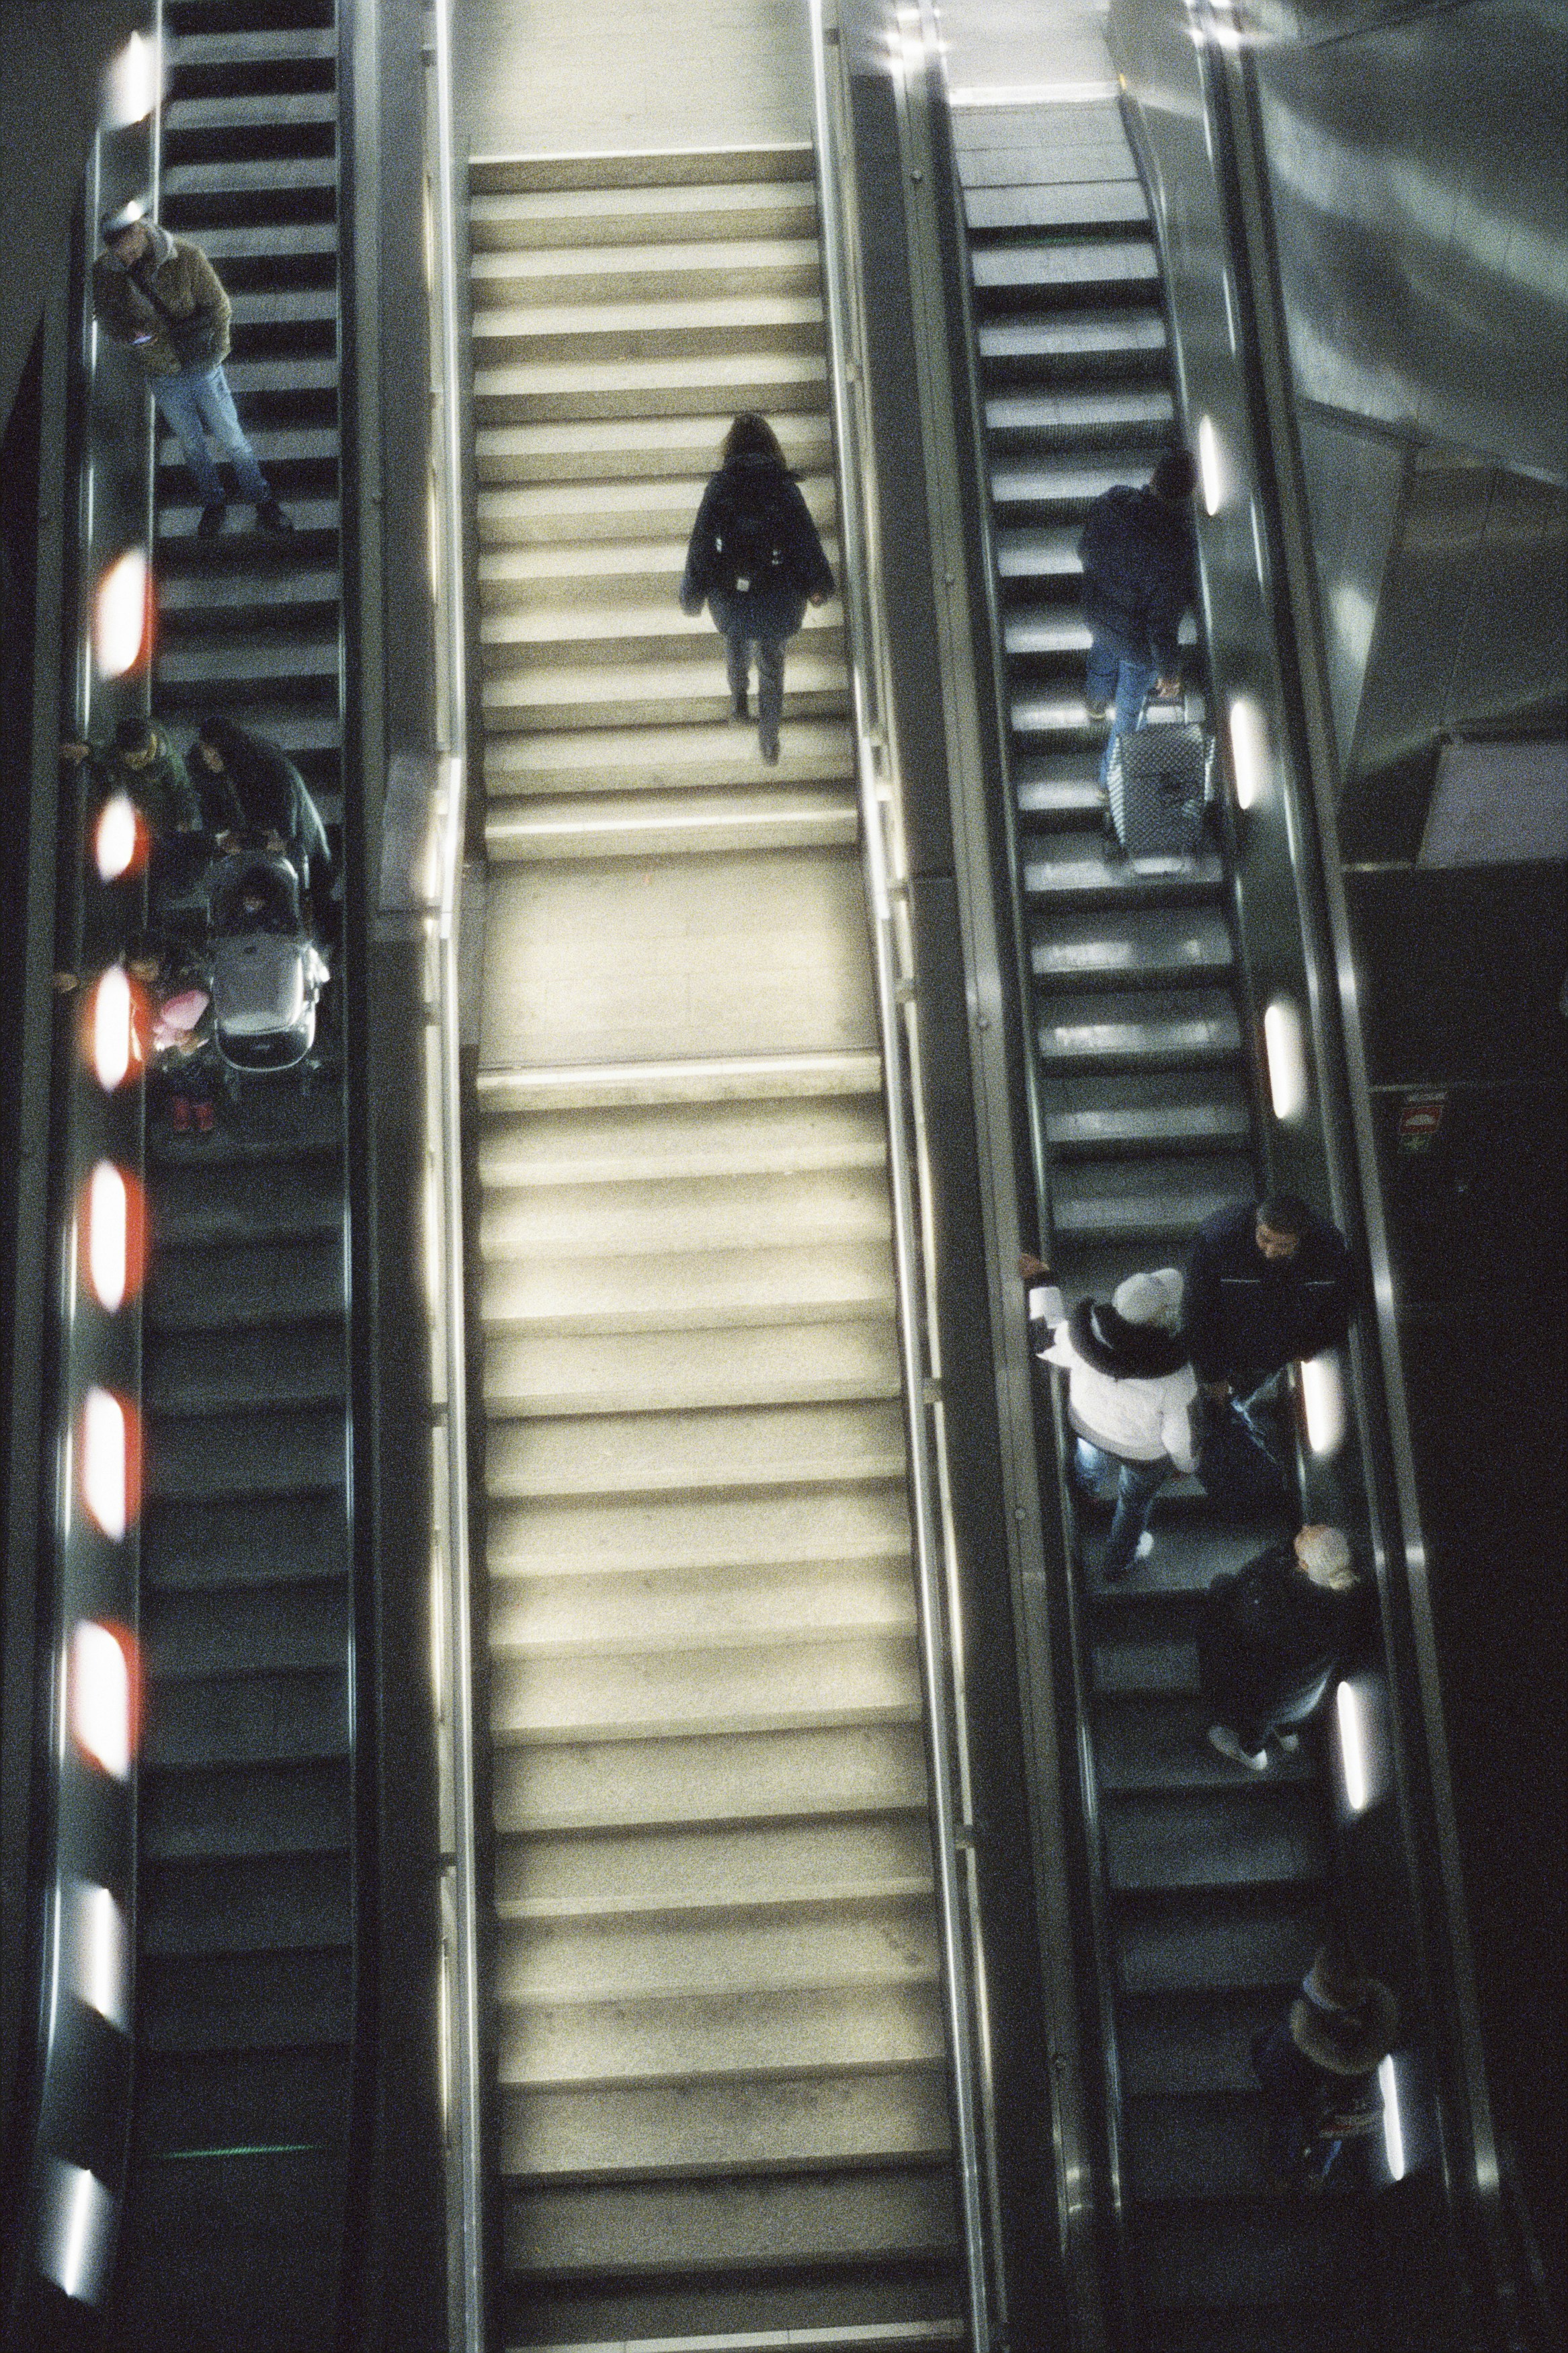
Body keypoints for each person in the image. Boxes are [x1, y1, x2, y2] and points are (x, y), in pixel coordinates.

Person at [93, 197, 292, 539]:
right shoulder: (106, 272)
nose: (127, 260)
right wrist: (132, 337)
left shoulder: (184, 256)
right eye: (120, 256)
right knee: (191, 444)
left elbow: (219, 305)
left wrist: (217, 353)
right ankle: (214, 504)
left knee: (233, 439)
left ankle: (263, 501)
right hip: (162, 370)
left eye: (130, 251)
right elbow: (106, 317)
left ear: (141, 232)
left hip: (202, 365)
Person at [679, 413, 834, 764]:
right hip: (779, 595)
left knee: (735, 644)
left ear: (731, 449)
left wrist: (693, 595)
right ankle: (769, 741)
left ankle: (738, 701)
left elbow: (701, 544)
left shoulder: (720, 488)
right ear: (771, 447)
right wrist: (818, 586)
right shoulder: (784, 487)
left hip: (731, 596)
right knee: (772, 665)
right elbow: (805, 540)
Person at [1036, 1267, 1198, 1579]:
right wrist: (1185, 1465)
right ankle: (1118, 1561)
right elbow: (1180, 1436)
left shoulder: (1083, 1335)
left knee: (1090, 1456)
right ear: (1158, 1321)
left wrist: (1042, 1282)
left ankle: (1087, 1491)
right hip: (1142, 1452)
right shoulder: (1176, 1377)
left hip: (1087, 1424)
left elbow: (1045, 1342)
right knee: (1133, 1504)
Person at [1199, 1523, 1370, 1769]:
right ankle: (1287, 1733)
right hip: (1306, 1697)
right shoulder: (1347, 1603)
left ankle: (1252, 1754)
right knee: (1287, 1697)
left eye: (1308, 1535)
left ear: (1304, 1566)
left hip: (1267, 1699)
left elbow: (1240, 1604)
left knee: (1258, 1721)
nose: (1305, 1527)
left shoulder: (1279, 1606)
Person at [1077, 447, 1196, 787]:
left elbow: (1084, 549)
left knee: (1102, 652)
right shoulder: (1176, 548)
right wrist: (1169, 673)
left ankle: (1095, 703)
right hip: (1137, 645)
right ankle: (1107, 783)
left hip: (1098, 612)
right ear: (1187, 497)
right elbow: (1161, 628)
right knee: (1129, 711)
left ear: (1153, 476)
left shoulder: (1113, 501)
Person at [1184, 1192, 1356, 1417]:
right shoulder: (1217, 1240)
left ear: (1301, 1237)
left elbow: (1339, 1306)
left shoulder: (1329, 1248)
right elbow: (1197, 1312)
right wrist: (1211, 1375)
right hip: (1224, 1346)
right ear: (1257, 1223)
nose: (1271, 1250)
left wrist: (1311, 1346)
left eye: (1284, 1245)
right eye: (1265, 1238)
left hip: (1276, 1352)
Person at [1251, 1944, 1397, 2190]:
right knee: (1331, 2132)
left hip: (1298, 2086)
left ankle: (1283, 2171)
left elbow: (1274, 2075)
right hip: (1340, 2097)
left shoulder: (1294, 2036)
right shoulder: (1374, 2020)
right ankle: (1315, 2172)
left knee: (1287, 2122)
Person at [192, 715, 331, 891]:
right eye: (206, 755)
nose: (209, 762)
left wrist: (247, 843)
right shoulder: (219, 770)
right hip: (264, 854)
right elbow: (212, 812)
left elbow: (285, 839)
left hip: (301, 859)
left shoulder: (274, 774)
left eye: (215, 756)